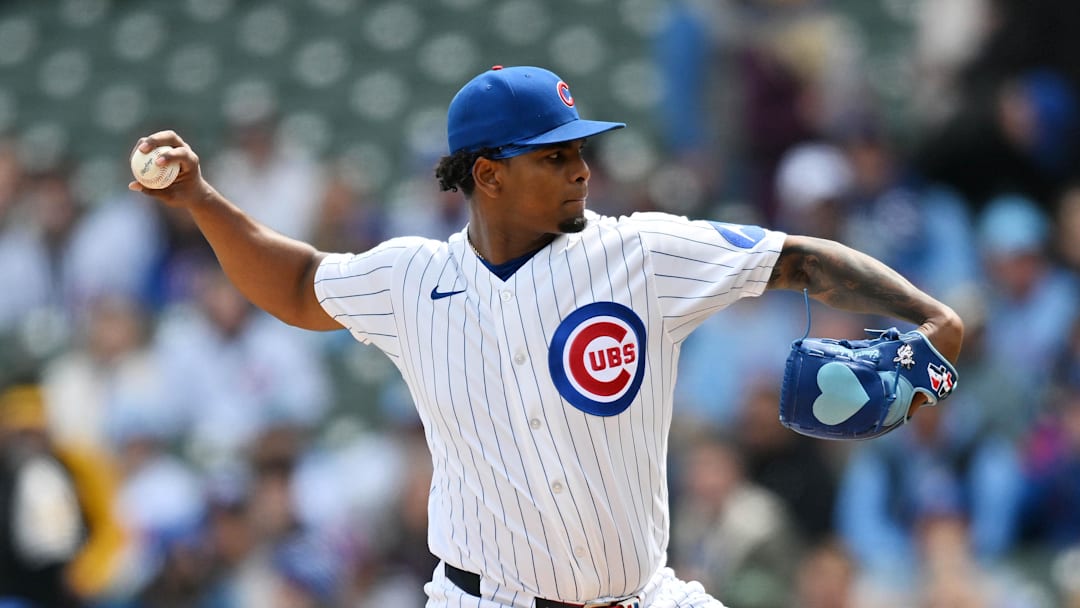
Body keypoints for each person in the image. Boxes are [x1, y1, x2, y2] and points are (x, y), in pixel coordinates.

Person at [128, 65, 963, 608]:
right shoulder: (411, 279)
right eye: (552, 156)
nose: (580, 168)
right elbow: (298, 282)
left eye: (579, 151)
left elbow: (799, 259)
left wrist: (932, 318)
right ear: (486, 174)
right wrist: (204, 200)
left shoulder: (642, 253)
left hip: (645, 596)